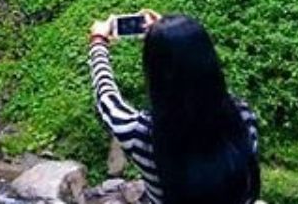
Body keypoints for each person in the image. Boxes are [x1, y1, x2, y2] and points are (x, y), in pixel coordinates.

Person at [88, 12, 260, 204]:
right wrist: (173, 37)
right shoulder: (243, 117)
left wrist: (98, 41)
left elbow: (107, 98)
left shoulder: (140, 135)